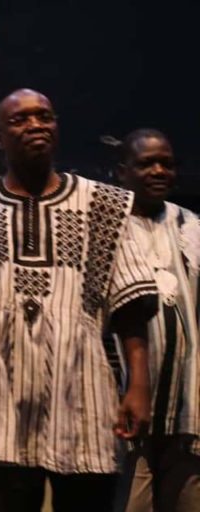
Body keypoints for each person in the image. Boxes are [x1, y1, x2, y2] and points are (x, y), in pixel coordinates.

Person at [0, 89, 157, 512]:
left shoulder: (105, 206)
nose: (35, 125)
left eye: (44, 117)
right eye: (20, 120)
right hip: (1, 402)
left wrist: (139, 384)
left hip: (85, 398)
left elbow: (131, 308)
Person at [114, 129, 200, 512]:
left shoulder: (192, 227)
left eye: (166, 163)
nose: (158, 170)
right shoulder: (107, 226)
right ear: (123, 171)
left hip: (187, 406)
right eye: (146, 163)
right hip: (124, 406)